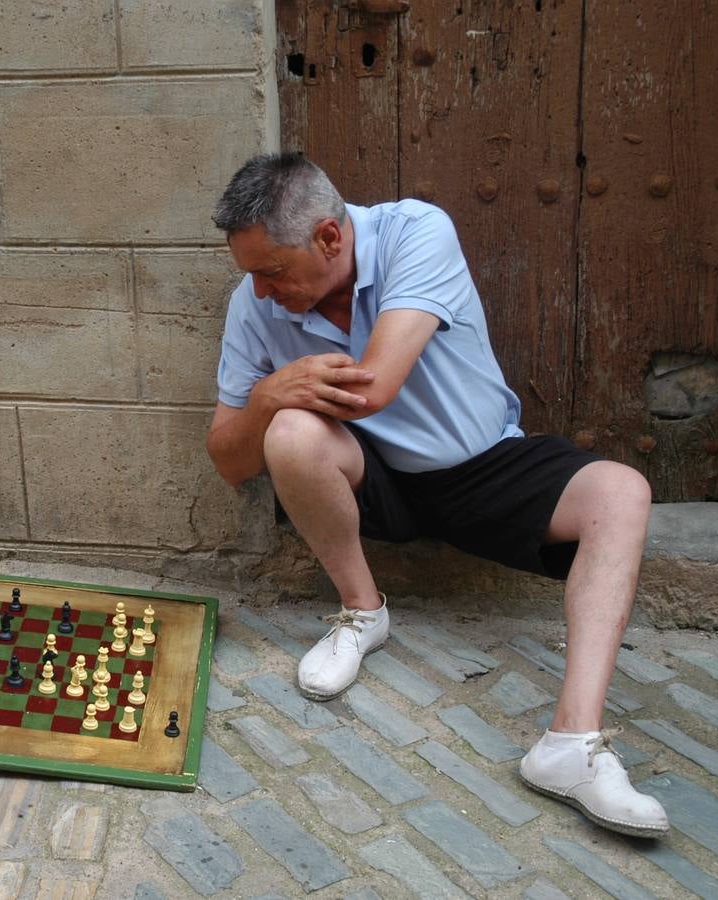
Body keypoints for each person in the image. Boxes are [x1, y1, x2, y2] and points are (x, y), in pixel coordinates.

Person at [205, 153, 668, 837]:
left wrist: (282, 393)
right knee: (291, 433)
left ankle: (570, 746)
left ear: (329, 237)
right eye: (250, 275)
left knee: (622, 492)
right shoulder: (253, 303)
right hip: (373, 479)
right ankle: (362, 612)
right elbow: (227, 459)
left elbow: (374, 386)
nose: (262, 293)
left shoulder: (415, 232)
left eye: (272, 271)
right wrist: (270, 396)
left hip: (484, 467)